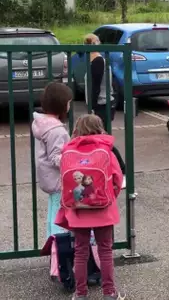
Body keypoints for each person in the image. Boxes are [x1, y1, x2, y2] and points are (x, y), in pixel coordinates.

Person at [55, 114, 125, 300]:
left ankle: (81, 293)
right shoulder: (106, 151)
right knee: (105, 251)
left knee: (80, 252)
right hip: (103, 209)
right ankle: (110, 293)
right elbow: (118, 179)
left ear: (77, 129)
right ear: (100, 128)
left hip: (78, 210)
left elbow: (64, 182)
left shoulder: (68, 153)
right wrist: (108, 197)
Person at [32, 82, 72, 238]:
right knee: (60, 217)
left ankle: (53, 245)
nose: (69, 106)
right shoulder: (57, 130)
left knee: (53, 213)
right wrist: (72, 159)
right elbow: (56, 157)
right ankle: (59, 250)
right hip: (58, 181)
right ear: (61, 104)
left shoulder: (42, 124)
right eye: (68, 102)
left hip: (48, 177)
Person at [83, 34, 116, 131]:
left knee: (100, 136)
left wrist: (92, 106)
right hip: (101, 103)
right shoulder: (94, 60)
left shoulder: (98, 61)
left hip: (101, 105)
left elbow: (96, 85)